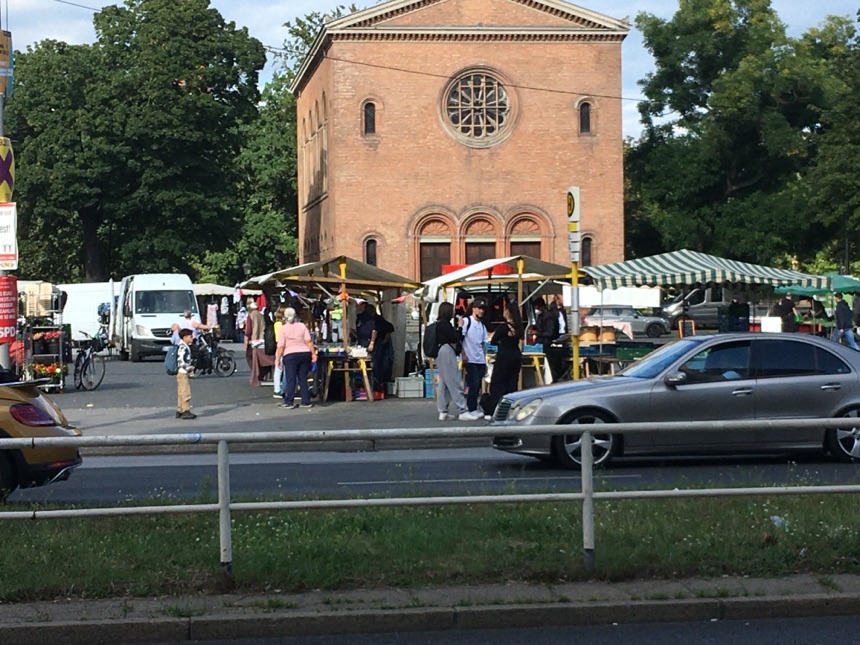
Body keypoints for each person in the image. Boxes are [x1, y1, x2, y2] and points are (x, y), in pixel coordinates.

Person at [480, 302, 523, 419]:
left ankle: (494, 408)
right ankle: (510, 408)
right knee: (512, 383)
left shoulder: (503, 327)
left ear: (507, 312)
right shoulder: (519, 327)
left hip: (504, 356)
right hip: (516, 355)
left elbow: (493, 341)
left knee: (498, 383)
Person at [276, 307, 317, 409]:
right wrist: (313, 354)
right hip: (304, 353)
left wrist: (278, 359)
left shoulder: (283, 328)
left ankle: (289, 401)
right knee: (303, 377)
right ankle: (306, 401)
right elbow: (308, 341)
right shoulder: (302, 326)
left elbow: (281, 346)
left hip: (290, 355)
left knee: (291, 378)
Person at [434, 301, 469, 421]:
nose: (455, 312)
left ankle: (443, 411)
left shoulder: (438, 324)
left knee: (444, 382)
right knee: (454, 380)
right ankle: (462, 410)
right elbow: (456, 337)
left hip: (439, 352)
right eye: (453, 310)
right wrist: (460, 327)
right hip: (446, 352)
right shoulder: (445, 325)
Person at [459, 298, 489, 421]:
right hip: (470, 359)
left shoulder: (482, 325)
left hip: (480, 359)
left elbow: (483, 344)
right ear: (473, 309)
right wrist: (463, 354)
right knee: (474, 383)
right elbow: (460, 339)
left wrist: (485, 360)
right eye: (479, 308)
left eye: (483, 309)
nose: (481, 311)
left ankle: (474, 408)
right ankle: (471, 408)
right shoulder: (467, 321)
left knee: (478, 385)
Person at [534, 297, 563, 381]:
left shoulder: (549, 317)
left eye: (537, 308)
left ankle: (552, 379)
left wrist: (537, 333)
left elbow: (550, 333)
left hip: (547, 343)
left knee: (549, 364)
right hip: (542, 342)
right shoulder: (541, 316)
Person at [175, 328, 197, 420]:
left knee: (181, 392)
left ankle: (180, 409)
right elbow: (181, 360)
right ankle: (185, 410)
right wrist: (188, 368)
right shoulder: (183, 347)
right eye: (190, 337)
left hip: (181, 372)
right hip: (183, 372)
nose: (192, 338)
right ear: (185, 337)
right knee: (185, 392)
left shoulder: (183, 346)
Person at [272, 305, 287, 398]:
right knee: (279, 368)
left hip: (282, 347)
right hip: (281, 347)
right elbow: (278, 338)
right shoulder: (278, 324)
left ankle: (280, 388)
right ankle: (277, 389)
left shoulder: (280, 324)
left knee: (281, 368)